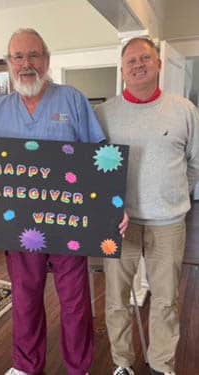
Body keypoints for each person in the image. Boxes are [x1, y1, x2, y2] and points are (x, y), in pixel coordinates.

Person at [0, 28, 128, 375]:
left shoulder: (73, 100)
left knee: (74, 303)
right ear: (8, 63)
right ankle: (27, 366)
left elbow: (99, 158)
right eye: (18, 57)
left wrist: (115, 205)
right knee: (26, 299)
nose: (26, 64)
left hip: (67, 226)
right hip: (17, 228)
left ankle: (78, 367)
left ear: (46, 59)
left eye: (34, 55)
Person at [95, 37, 199, 375]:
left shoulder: (184, 109)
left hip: (168, 222)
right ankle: (122, 362)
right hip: (118, 223)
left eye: (145, 58)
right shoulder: (104, 114)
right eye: (131, 61)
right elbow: (92, 166)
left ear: (157, 64)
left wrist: (173, 194)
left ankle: (161, 364)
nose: (138, 65)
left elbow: (194, 162)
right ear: (122, 70)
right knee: (116, 299)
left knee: (166, 299)